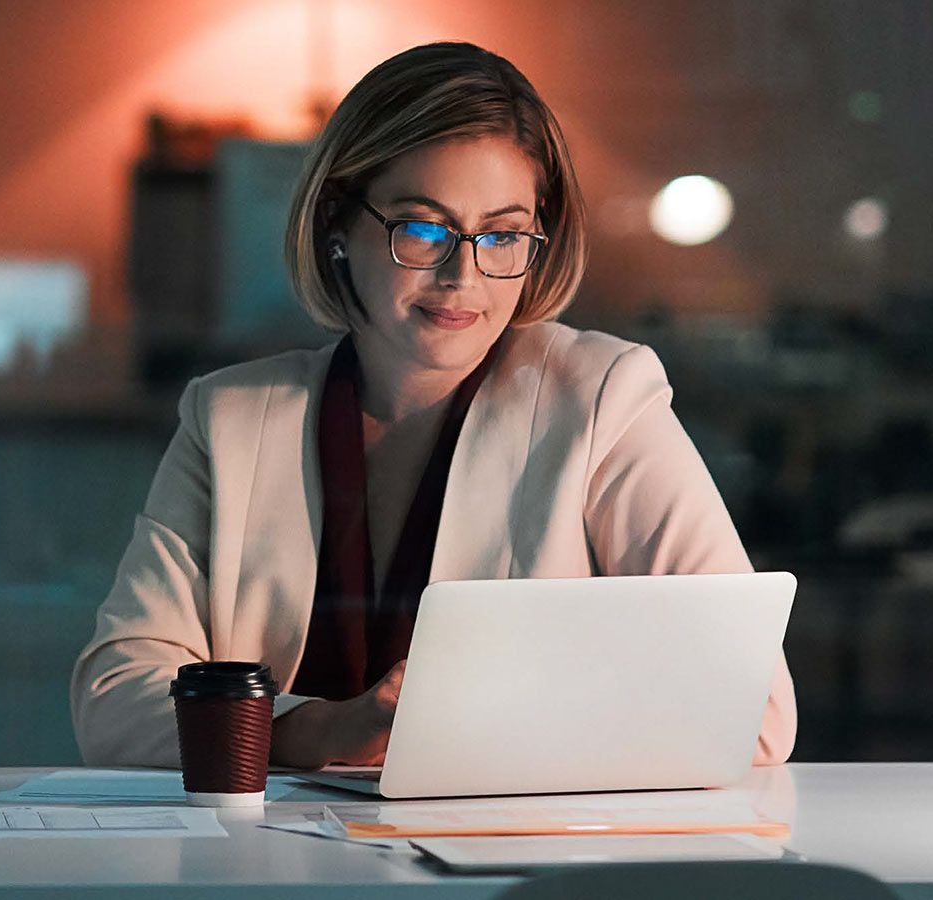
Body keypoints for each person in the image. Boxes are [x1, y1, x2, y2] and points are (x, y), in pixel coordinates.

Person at [71, 41, 796, 770]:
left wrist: (463, 737)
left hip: (509, 867)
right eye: (422, 229)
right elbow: (114, 699)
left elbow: (753, 713)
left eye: (503, 234)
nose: (463, 274)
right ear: (337, 225)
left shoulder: (603, 398)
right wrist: (312, 731)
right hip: (273, 871)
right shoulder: (228, 418)